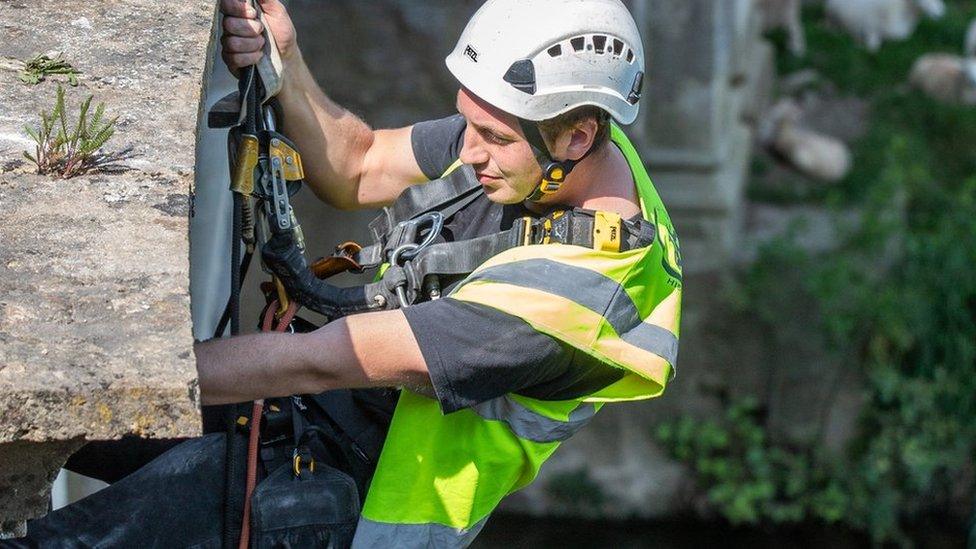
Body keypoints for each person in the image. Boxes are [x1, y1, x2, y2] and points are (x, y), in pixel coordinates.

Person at [5, 0, 682, 547]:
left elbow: (324, 359)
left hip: (353, 497)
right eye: (469, 121)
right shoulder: (536, 139)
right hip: (308, 420)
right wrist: (285, 59)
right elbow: (358, 166)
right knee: (72, 435)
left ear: (578, 137)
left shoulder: (573, 302)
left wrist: (120, 379)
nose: (469, 149)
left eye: (493, 137)